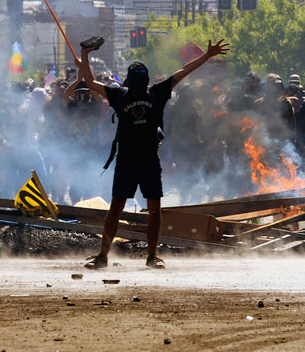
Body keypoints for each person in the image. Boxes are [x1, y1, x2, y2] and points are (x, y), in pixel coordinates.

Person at [78, 37, 229, 270]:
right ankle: (114, 256)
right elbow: (183, 71)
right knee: (133, 208)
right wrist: (207, 56)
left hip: (143, 160)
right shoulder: (144, 93)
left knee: (144, 208)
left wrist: (86, 56)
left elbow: (89, 81)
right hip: (135, 160)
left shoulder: (134, 94)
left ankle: (137, 256)